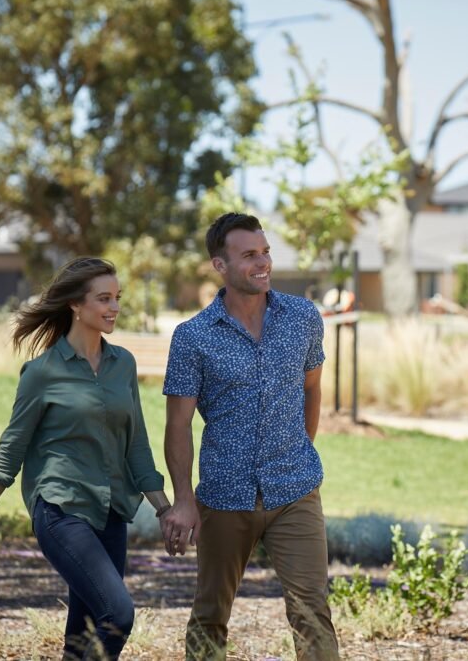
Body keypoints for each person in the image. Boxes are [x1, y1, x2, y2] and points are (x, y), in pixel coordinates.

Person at [0, 257, 172, 660]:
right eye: (103, 299)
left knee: (83, 632)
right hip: (60, 509)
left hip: (110, 511)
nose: (114, 308)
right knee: (117, 614)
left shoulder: (122, 364)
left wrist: (164, 509)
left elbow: (137, 444)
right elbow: (12, 449)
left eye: (117, 298)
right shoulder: (42, 373)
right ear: (76, 304)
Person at [161, 213, 340, 660]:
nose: (262, 263)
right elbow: (178, 424)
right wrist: (183, 500)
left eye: (265, 252)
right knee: (210, 614)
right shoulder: (193, 337)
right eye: (249, 255)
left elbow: (312, 387)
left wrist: (302, 449)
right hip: (224, 495)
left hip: (294, 490)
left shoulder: (302, 317)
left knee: (312, 609)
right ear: (219, 266)